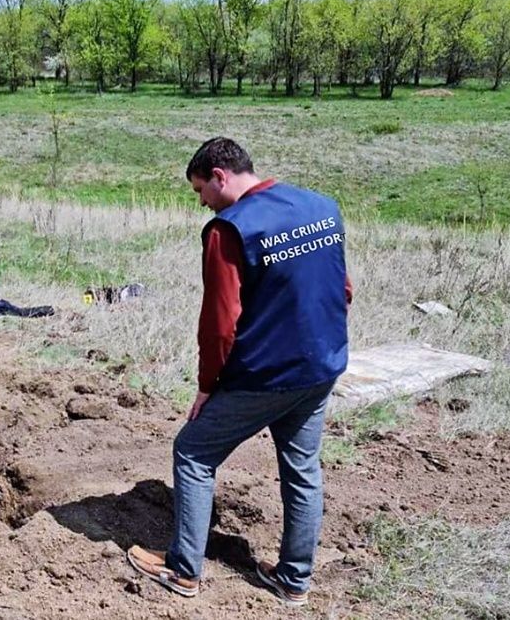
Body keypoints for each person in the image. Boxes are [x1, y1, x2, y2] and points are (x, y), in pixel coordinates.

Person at [126, 137, 353, 606]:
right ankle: (293, 581)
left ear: (220, 176)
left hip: (265, 375)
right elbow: (343, 289)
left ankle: (183, 569)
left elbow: (219, 323)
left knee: (192, 452)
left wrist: (208, 385)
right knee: (302, 468)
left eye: (199, 191)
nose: (201, 202)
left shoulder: (227, 231)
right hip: (322, 365)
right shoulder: (321, 207)